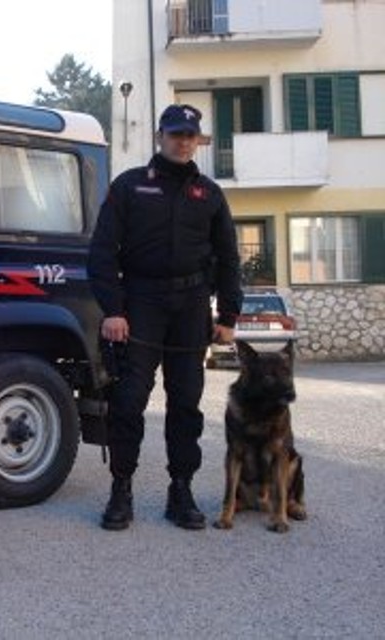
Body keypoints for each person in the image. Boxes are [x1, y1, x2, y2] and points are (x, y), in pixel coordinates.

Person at [87, 103, 242, 532]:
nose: (183, 141)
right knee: (129, 400)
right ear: (160, 137)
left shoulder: (210, 194)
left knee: (186, 402)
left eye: (190, 135)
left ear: (198, 140)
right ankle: (121, 490)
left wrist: (228, 314)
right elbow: (101, 254)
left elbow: (229, 259)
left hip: (192, 306)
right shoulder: (130, 187)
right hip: (139, 305)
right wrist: (113, 310)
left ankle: (181, 491)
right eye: (175, 133)